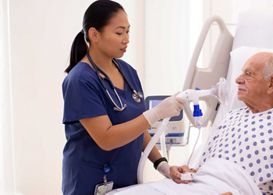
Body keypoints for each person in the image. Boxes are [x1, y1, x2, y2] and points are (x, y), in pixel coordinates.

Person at [108, 52, 273, 195]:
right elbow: (205, 168)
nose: (238, 79)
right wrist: (188, 171)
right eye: (240, 72)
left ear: (271, 84)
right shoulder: (232, 117)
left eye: (248, 74)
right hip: (194, 187)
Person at [62, 1, 183, 194]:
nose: (126, 39)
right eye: (119, 33)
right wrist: (156, 114)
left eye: (128, 32)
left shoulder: (128, 72)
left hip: (126, 183)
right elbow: (106, 138)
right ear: (94, 35)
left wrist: (162, 166)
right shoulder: (79, 81)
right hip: (90, 183)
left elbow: (138, 129)